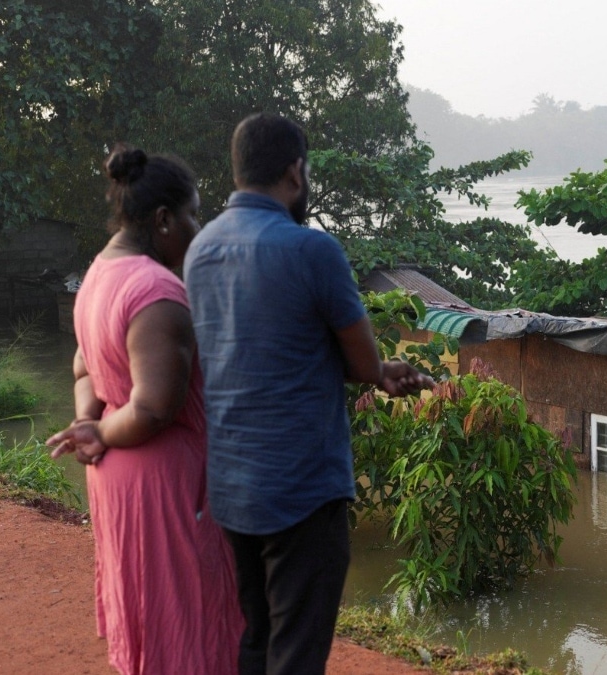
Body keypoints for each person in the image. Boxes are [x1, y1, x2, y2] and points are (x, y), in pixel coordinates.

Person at [183, 113, 433, 675]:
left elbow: (252, 350)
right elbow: (362, 361)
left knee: (255, 637)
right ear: (295, 172)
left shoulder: (201, 249)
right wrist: (378, 371)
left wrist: (372, 371)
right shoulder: (313, 251)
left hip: (230, 486)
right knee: (297, 648)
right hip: (301, 491)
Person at [47, 145, 243, 675]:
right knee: (188, 625)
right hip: (165, 488)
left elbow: (84, 366)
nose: (197, 228)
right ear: (162, 220)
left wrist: (89, 421)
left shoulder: (99, 274)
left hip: (119, 480)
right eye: (193, 215)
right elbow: (154, 407)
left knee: (151, 618)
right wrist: (101, 432)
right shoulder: (157, 292)